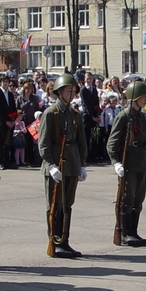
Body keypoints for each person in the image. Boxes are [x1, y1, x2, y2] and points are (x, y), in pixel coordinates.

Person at [38, 73, 88, 258]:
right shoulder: (51, 113)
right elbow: (43, 143)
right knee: (55, 205)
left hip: (72, 164)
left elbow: (82, 141)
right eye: (69, 90)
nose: (72, 94)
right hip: (55, 166)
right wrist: (50, 165)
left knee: (67, 205)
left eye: (74, 90)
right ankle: (55, 240)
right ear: (59, 92)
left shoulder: (75, 114)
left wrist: (82, 164)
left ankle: (64, 241)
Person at [107, 80, 146, 247]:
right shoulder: (123, 116)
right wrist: (116, 163)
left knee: (138, 198)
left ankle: (134, 231)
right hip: (128, 163)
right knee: (127, 197)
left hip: (141, 161)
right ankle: (125, 232)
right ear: (134, 97)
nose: (145, 99)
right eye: (143, 96)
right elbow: (112, 143)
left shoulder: (142, 116)